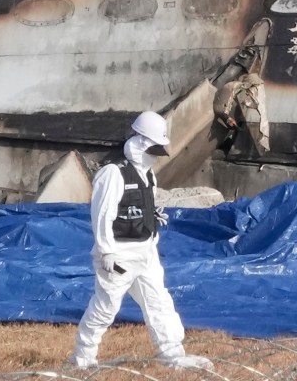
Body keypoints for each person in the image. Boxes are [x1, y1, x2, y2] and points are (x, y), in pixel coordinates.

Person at [69, 111, 206, 372]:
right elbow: (102, 215)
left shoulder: (149, 175)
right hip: (119, 254)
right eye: (153, 148)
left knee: (159, 301)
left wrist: (152, 219)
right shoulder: (113, 173)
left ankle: (173, 354)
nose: (155, 155)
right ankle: (82, 358)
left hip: (146, 251)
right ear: (140, 141)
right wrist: (106, 251)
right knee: (105, 307)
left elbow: (141, 204)